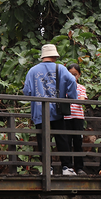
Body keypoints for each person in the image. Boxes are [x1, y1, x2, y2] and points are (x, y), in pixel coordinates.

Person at [22, 43, 78, 175]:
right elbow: (72, 82)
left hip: (39, 111)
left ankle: (48, 168)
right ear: (54, 55)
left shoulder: (33, 71)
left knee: (43, 140)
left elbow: (27, 91)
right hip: (57, 110)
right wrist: (71, 97)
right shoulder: (62, 69)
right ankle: (66, 167)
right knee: (62, 138)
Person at [64, 63, 88, 176]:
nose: (73, 77)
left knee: (78, 142)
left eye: (75, 74)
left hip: (78, 118)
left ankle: (79, 167)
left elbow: (82, 101)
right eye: (70, 74)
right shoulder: (63, 87)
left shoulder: (81, 88)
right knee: (66, 142)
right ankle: (68, 166)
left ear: (79, 75)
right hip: (66, 117)